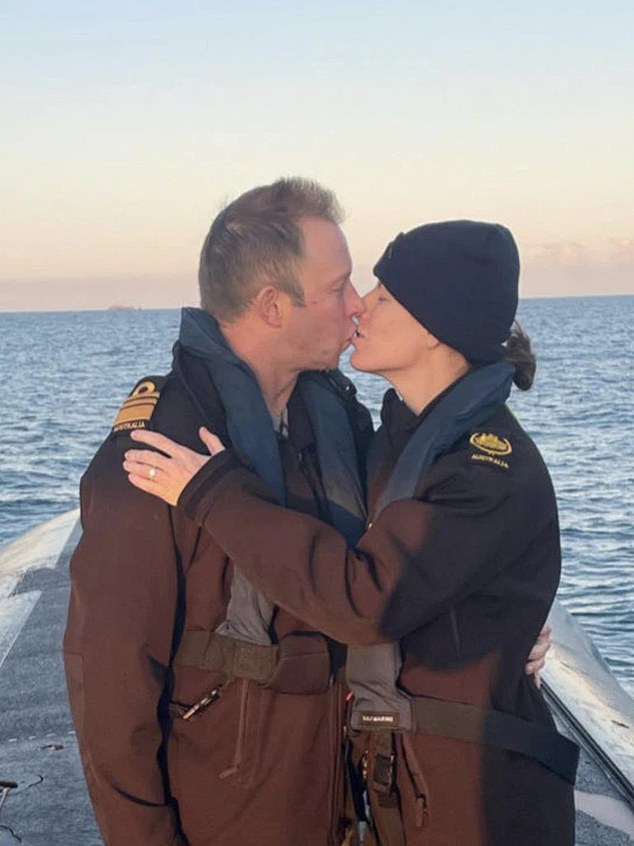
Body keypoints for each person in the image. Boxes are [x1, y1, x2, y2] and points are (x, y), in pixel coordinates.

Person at [124, 220, 576, 845]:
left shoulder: (487, 470)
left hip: (481, 800)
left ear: (434, 330)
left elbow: (366, 599)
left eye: (385, 296)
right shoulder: (396, 439)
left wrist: (212, 494)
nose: (361, 304)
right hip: (407, 787)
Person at [63, 177, 373, 846]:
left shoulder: (336, 421)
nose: (358, 306)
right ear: (272, 305)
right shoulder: (153, 453)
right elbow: (109, 685)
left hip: (342, 803)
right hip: (227, 816)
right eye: (338, 288)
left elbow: (386, 571)